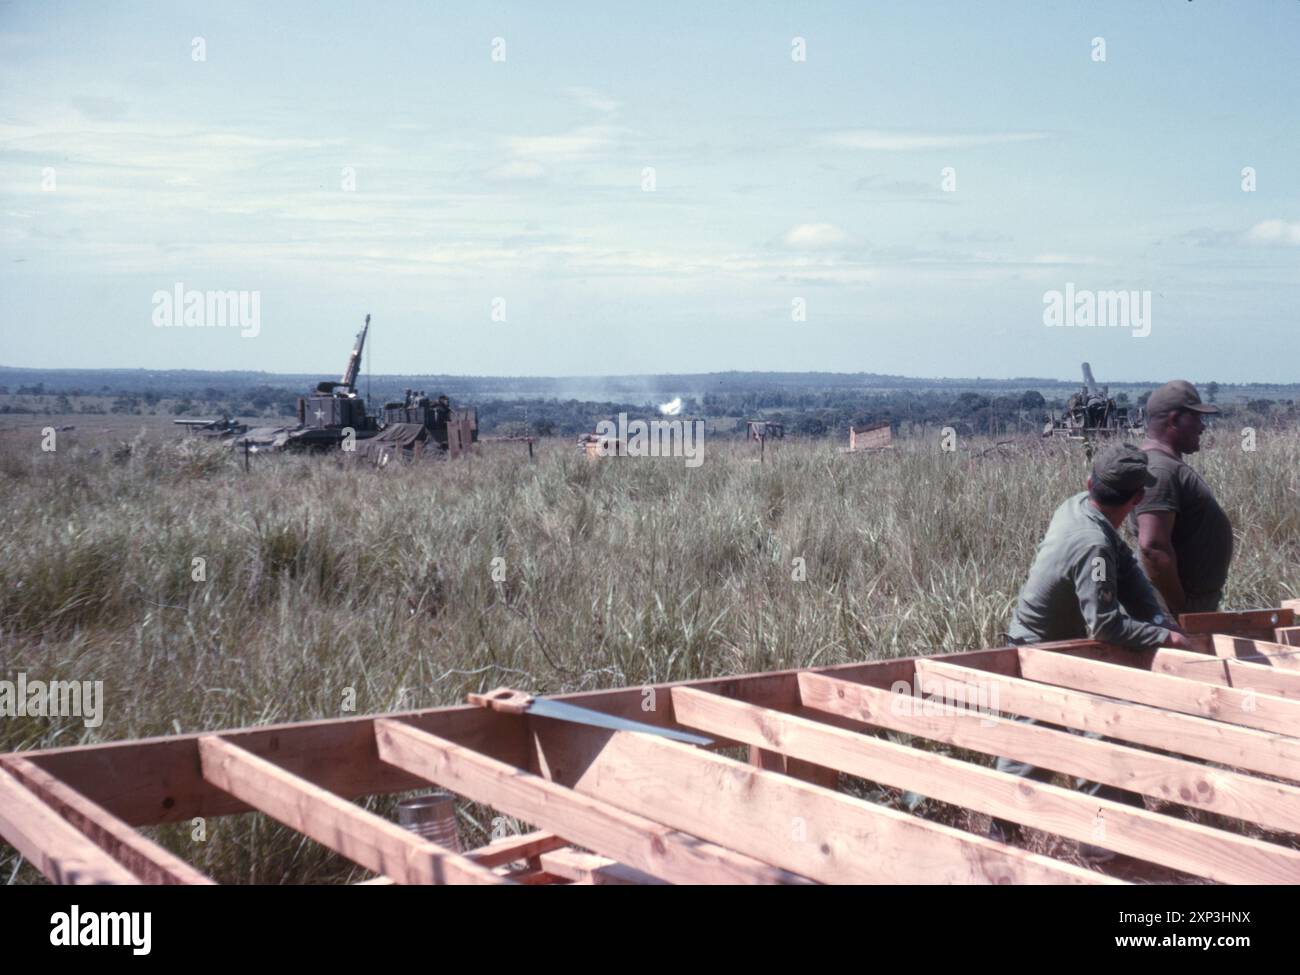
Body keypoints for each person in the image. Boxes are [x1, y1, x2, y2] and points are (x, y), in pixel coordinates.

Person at [991, 443, 1195, 854]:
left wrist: (1158, 619)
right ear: (1138, 500)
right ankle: (1099, 845)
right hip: (1045, 651)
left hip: (1049, 644)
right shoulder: (1092, 544)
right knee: (1093, 739)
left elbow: (1129, 569)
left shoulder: (1079, 506)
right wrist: (1163, 637)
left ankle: (1010, 827)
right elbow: (1104, 624)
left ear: (1091, 483)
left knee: (1039, 740)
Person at [1133, 380, 1233, 615]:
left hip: (1186, 607)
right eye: (1196, 418)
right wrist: (1181, 609)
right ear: (1174, 420)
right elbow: (1152, 547)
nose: (1202, 427)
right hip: (1175, 612)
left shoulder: (1166, 466)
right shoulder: (1160, 470)